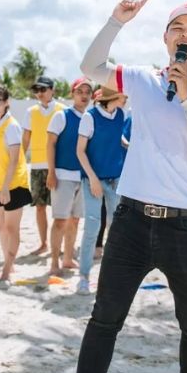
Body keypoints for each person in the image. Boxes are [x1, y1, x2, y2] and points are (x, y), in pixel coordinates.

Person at [70, 0, 187, 373]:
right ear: (165, 38)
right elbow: (91, 67)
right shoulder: (143, 79)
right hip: (132, 222)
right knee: (105, 318)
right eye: (178, 28)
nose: (185, 35)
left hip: (184, 226)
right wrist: (115, 21)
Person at [75, 85, 128, 294]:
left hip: (115, 179)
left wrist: (129, 145)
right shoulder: (89, 117)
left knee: (116, 228)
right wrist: (93, 179)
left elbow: (116, 138)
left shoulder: (120, 115)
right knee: (92, 226)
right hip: (93, 180)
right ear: (113, 97)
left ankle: (114, 275)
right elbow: (80, 151)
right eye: (123, 96)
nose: (126, 99)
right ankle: (84, 277)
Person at [0, 84, 32, 282]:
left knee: (11, 228)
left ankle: (7, 268)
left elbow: (14, 159)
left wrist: (5, 188)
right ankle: (8, 264)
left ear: (6, 102)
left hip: (13, 184)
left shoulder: (11, 125)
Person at [46, 77, 90, 276]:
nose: (84, 95)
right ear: (73, 94)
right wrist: (51, 172)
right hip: (63, 175)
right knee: (60, 221)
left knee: (75, 220)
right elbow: (50, 144)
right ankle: (54, 262)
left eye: (87, 92)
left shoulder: (89, 118)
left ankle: (68, 258)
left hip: (83, 177)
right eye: (80, 91)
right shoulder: (61, 116)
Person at [22, 76, 65, 256]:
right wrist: (20, 161)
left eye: (43, 89)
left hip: (58, 165)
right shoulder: (31, 112)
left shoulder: (63, 110)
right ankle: (43, 243)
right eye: (36, 90)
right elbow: (26, 138)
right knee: (40, 206)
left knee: (60, 209)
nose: (39, 93)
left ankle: (59, 246)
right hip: (37, 166)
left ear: (52, 90)